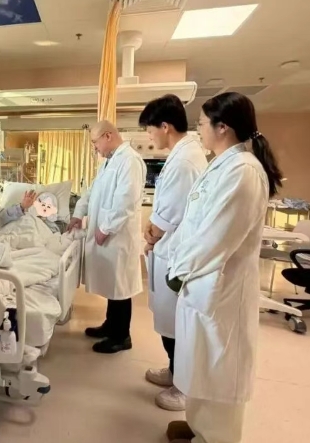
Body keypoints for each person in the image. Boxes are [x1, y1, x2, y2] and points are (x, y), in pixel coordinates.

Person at [164, 92, 283, 443]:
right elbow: (195, 222)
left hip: (220, 288)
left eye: (202, 123)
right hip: (202, 282)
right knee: (201, 364)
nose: (198, 129)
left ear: (223, 127)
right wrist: (177, 258)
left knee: (219, 369)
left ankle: (216, 437)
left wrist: (178, 269)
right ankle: (198, 426)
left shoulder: (244, 172)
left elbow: (215, 238)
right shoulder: (221, 164)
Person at [138, 95, 208, 412]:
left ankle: (183, 387)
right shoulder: (183, 155)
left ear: (164, 126)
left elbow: (168, 215)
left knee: (178, 324)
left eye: (150, 129)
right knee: (169, 321)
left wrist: (151, 235)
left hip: (176, 254)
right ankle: (174, 371)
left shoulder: (184, 161)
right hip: (170, 251)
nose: (150, 136)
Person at [68, 120, 146, 354]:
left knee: (120, 287)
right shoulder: (109, 163)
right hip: (108, 233)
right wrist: (78, 213)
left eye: (95, 142)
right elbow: (91, 192)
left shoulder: (130, 161)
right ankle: (111, 325)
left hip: (118, 236)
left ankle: (122, 336)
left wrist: (105, 228)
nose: (95, 148)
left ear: (108, 136)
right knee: (114, 284)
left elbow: (125, 201)